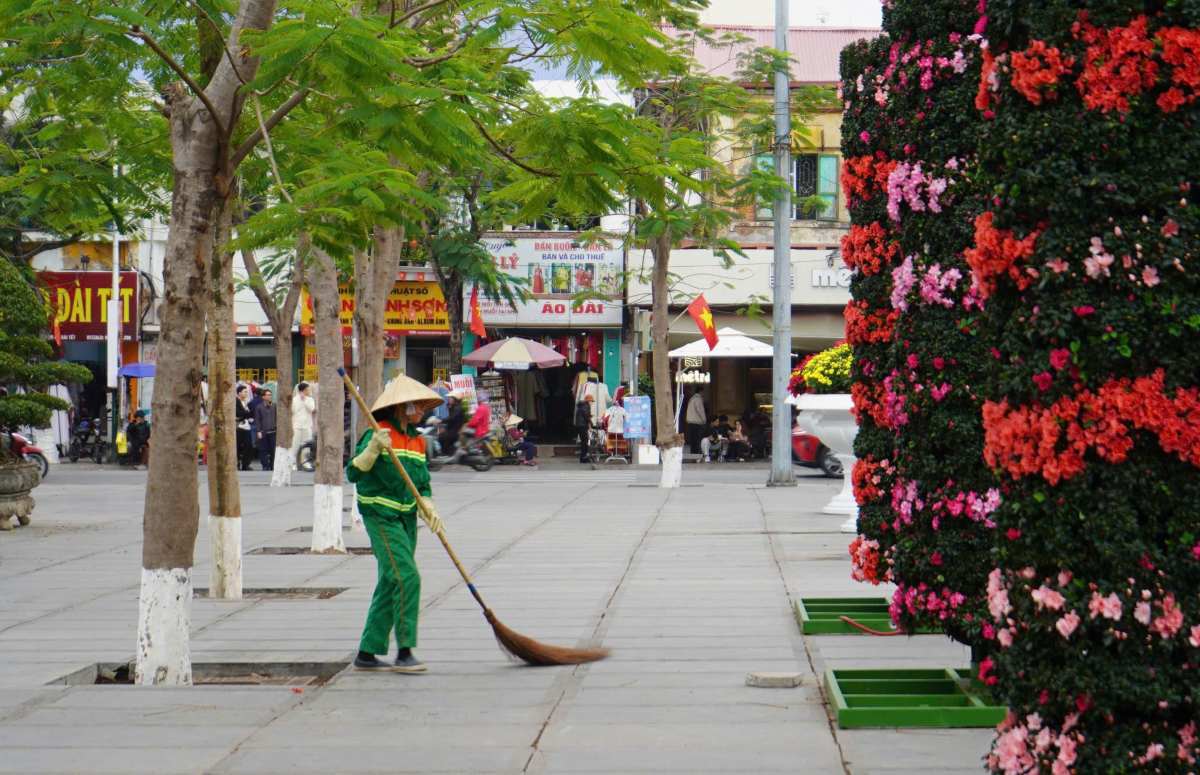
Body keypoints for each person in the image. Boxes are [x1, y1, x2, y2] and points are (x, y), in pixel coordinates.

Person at [346, 375, 445, 673]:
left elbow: (422, 482)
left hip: (406, 519)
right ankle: (405, 650)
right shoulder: (379, 433)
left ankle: (367, 651)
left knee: (391, 580)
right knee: (406, 577)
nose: (423, 411)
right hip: (381, 516)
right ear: (404, 407)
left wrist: (428, 503)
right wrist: (372, 450)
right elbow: (353, 473)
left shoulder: (416, 441)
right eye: (418, 407)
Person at [289, 381, 316, 468]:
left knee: (306, 444)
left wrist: (304, 400)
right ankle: (292, 463)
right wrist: (300, 399)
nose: (309, 391)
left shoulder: (310, 399)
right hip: (296, 425)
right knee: (295, 445)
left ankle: (305, 462)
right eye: (307, 389)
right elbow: (293, 411)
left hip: (307, 425)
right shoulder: (294, 399)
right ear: (303, 390)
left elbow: (312, 409)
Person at [253, 389, 277, 470]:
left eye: (270, 394)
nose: (270, 396)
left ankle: (272, 465)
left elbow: (277, 418)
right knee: (263, 450)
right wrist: (258, 431)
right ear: (263, 397)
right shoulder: (259, 407)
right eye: (268, 395)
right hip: (263, 432)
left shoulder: (274, 406)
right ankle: (265, 466)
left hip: (273, 431)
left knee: (273, 450)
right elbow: (257, 420)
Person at [439, 389, 466, 455]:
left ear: (455, 399)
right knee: (441, 435)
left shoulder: (458, 408)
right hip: (452, 429)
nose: (449, 399)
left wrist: (440, 421)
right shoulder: (453, 407)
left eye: (450, 398)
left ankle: (445, 454)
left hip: (455, 431)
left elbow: (451, 418)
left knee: (442, 437)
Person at [235, 384, 254, 471]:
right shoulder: (236, 401)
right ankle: (237, 464)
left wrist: (246, 415)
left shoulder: (247, 402)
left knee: (249, 446)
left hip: (246, 426)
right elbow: (239, 413)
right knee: (237, 446)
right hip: (238, 427)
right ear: (239, 393)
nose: (246, 393)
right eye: (245, 392)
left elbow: (249, 414)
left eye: (247, 392)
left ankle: (246, 464)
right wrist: (246, 414)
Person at [685, 389, 707, 454]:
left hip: (690, 422)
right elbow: (700, 410)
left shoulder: (692, 399)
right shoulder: (698, 399)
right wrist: (704, 419)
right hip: (696, 422)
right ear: (701, 392)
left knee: (693, 440)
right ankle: (696, 454)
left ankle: (693, 453)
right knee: (697, 440)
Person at [575, 393, 594, 463]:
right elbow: (586, 416)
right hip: (583, 426)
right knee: (585, 442)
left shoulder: (581, 406)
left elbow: (584, 415)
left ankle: (583, 457)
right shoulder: (586, 406)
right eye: (592, 401)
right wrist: (591, 423)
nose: (592, 403)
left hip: (580, 426)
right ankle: (584, 458)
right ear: (589, 401)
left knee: (583, 442)